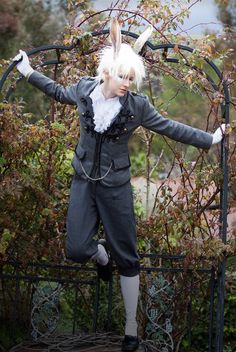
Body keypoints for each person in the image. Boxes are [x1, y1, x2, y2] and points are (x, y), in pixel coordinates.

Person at [13, 18, 226, 352]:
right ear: (107, 73)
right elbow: (56, 91)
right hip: (85, 181)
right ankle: (101, 257)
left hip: (115, 186)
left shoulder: (136, 107)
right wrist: (26, 71)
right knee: (77, 249)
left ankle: (131, 330)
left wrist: (210, 140)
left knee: (127, 257)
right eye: (123, 76)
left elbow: (170, 127)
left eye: (131, 77)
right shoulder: (84, 90)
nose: (127, 83)